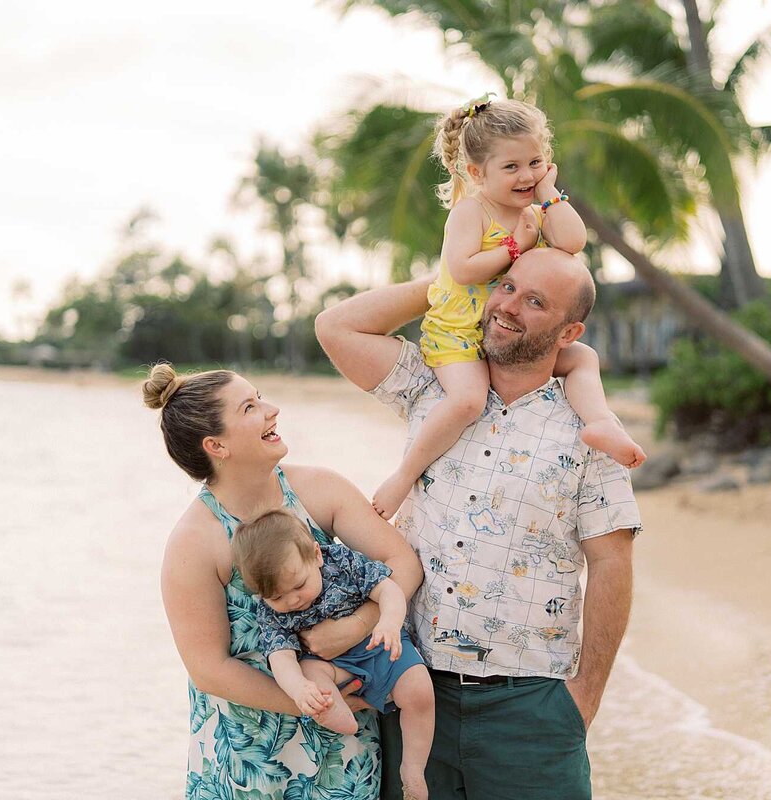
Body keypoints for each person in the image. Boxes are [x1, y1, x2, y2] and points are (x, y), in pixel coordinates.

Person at [315, 247, 643, 800]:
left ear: (570, 332)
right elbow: (336, 326)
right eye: (506, 287)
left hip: (533, 707)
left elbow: (611, 563)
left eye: (535, 301)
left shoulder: (589, 431)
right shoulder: (432, 388)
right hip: (416, 695)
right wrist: (456, 277)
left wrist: (583, 698)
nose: (508, 307)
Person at [143, 362, 423, 800]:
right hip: (247, 761)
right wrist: (319, 704)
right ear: (217, 445)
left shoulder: (320, 490)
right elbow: (208, 669)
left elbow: (402, 561)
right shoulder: (195, 541)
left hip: (342, 756)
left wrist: (355, 626)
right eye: (251, 407)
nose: (273, 410)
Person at [370, 94, 646, 520]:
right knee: (467, 401)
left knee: (582, 357)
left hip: (499, 328)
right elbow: (462, 270)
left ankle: (600, 421)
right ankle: (404, 476)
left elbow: (572, 242)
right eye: (512, 167)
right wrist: (515, 246)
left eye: (535, 163)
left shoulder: (535, 212)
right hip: (459, 330)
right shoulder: (471, 212)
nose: (526, 176)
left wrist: (550, 193)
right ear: (479, 173)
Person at [233, 509, 435, 799]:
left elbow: (388, 590)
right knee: (311, 672)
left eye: (299, 585)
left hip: (377, 643)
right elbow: (281, 657)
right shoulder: (269, 612)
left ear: (316, 555)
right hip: (332, 666)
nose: (292, 600)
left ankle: (413, 769)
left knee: (419, 690)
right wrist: (300, 689)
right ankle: (333, 711)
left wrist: (389, 623)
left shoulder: (342, 562)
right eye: (276, 597)